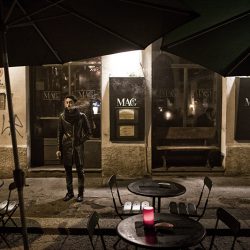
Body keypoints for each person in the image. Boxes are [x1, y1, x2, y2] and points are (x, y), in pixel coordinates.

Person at [56, 95, 91, 202]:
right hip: (66, 147)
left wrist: (80, 141)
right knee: (68, 171)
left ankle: (80, 194)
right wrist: (58, 149)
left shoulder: (81, 116)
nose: (68, 104)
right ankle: (70, 193)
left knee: (80, 171)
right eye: (66, 102)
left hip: (78, 148)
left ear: (74, 104)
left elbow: (89, 133)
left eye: (70, 102)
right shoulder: (62, 116)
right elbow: (59, 133)